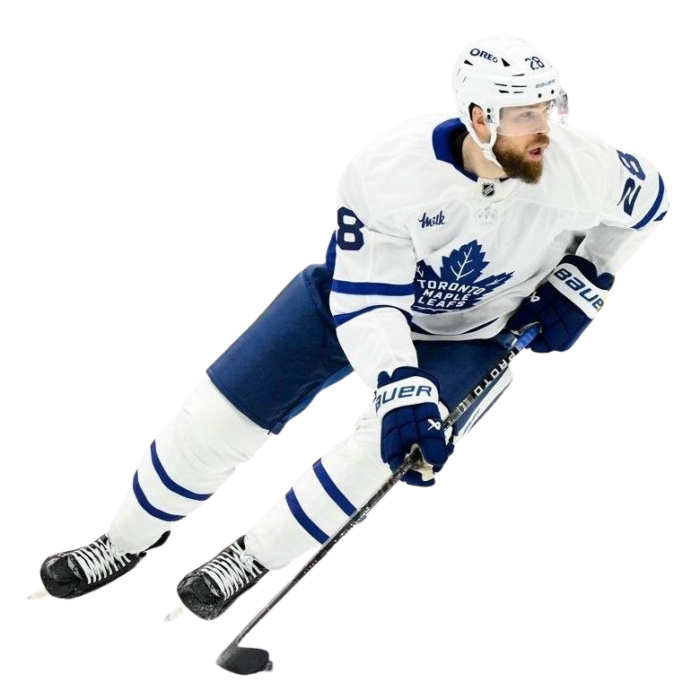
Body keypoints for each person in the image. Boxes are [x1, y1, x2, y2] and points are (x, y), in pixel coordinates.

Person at [28, 35, 670, 624]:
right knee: (220, 416)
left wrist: (592, 274)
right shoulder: (388, 169)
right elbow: (370, 305)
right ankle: (124, 541)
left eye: (551, 107)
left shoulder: (584, 165)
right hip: (352, 303)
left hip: (476, 331)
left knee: (380, 454)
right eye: (527, 114)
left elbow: (652, 202)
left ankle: (250, 558)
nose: (548, 129)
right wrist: (399, 384)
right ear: (480, 119)